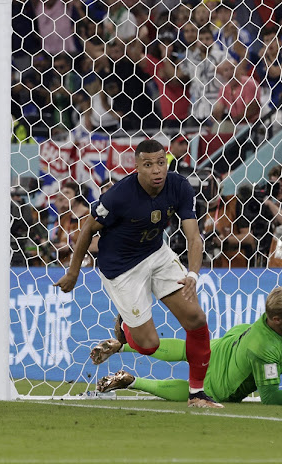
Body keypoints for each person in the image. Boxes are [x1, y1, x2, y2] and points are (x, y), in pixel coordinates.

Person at [54, 139, 220, 408]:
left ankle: (197, 394)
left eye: (160, 163)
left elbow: (194, 237)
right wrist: (73, 272)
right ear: (137, 167)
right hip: (121, 269)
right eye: (148, 164)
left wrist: (193, 275)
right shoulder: (120, 195)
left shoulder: (179, 186)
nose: (157, 170)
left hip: (157, 254)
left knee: (196, 317)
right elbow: (87, 229)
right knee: (148, 345)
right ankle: (125, 330)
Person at [92, 286, 282, 406]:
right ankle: (132, 381)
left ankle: (123, 346)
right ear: (277, 320)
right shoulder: (264, 349)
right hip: (226, 379)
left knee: (188, 349)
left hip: (232, 341)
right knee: (195, 391)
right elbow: (270, 398)